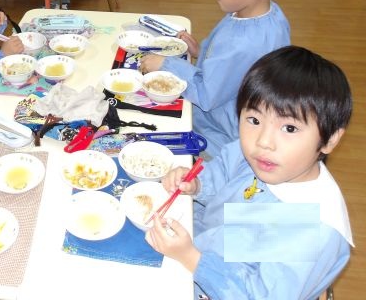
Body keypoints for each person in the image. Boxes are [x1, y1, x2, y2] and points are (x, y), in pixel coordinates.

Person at [146, 46, 353, 300]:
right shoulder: (262, 158)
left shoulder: (315, 231)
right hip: (197, 243)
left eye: (289, 128)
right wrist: (197, 184)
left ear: (329, 139)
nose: (264, 141)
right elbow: (222, 171)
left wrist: (191, 257)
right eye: (254, 120)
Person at [140, 0, 291, 157]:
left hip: (218, 137)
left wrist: (166, 64)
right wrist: (202, 52)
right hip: (232, 115)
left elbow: (206, 94)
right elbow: (235, 69)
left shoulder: (243, 43)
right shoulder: (268, 14)